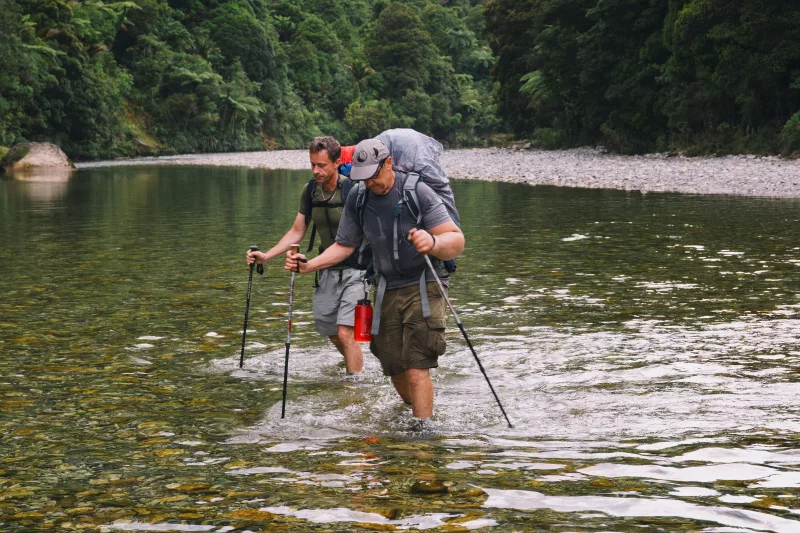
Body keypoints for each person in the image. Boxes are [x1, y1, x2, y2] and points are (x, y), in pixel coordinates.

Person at [285, 138, 465, 421]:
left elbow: (456, 240)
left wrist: (432, 241)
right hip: (385, 285)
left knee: (417, 365)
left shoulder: (418, 191)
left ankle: (422, 435)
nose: (369, 183)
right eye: (363, 178)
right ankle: (418, 409)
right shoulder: (358, 197)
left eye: (373, 176)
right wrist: (310, 266)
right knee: (392, 363)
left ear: (388, 163)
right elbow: (345, 245)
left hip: (424, 282)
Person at [247, 136, 365, 375]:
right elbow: (297, 231)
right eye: (312, 164)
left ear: (336, 162)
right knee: (331, 331)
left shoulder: (353, 191)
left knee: (345, 332)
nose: (316, 170)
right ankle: (358, 367)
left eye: (321, 165)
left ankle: (353, 391)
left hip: (358, 270)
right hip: (326, 270)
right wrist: (266, 256)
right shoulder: (310, 190)